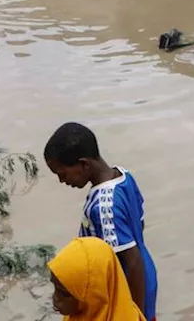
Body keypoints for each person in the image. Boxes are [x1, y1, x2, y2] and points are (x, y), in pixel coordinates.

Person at [44, 123, 157, 321]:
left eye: (63, 174)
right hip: (147, 276)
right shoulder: (123, 176)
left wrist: (132, 313)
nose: (62, 181)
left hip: (128, 288)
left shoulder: (103, 208)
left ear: (84, 165)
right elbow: (139, 225)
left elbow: (132, 262)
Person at [49, 237, 146, 321]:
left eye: (63, 293)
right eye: (55, 287)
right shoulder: (78, 314)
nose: (55, 297)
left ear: (93, 295)